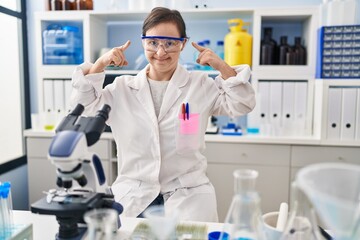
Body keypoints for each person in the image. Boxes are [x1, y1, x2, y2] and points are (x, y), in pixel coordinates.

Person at [70, 7, 255, 222]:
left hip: (188, 195)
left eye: (170, 43)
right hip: (134, 196)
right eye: (153, 42)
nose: (160, 51)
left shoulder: (200, 85)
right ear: (143, 42)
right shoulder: (121, 88)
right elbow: (84, 109)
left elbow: (242, 104)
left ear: (183, 44)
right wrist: (100, 64)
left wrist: (221, 66)